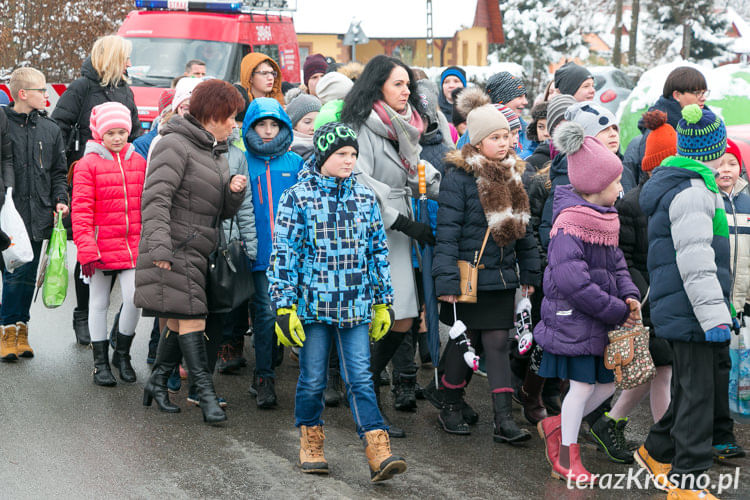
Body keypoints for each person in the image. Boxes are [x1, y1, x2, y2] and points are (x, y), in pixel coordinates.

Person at [268, 121, 407, 482]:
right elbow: (285, 254)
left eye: (353, 155)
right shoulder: (297, 197)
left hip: (356, 305)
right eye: (342, 154)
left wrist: (382, 301)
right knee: (313, 379)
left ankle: (379, 450)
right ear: (324, 155)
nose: (349, 161)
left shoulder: (364, 197)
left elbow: (377, 251)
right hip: (313, 308)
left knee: (360, 378)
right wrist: (284, 307)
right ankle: (311, 440)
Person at [635, 104, 734, 498]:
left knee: (693, 388)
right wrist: (714, 316)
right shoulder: (693, 191)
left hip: (687, 306)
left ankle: (657, 451)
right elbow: (695, 260)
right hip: (692, 308)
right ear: (712, 149)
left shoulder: (691, 184)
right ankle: (687, 481)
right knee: (697, 395)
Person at [136, 79, 247, 424]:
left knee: (176, 317)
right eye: (230, 116)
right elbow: (156, 199)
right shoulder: (175, 144)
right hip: (174, 247)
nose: (234, 124)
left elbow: (220, 212)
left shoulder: (214, 151)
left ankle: (156, 383)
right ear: (212, 114)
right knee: (193, 318)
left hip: (200, 250)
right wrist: (159, 247)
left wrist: (233, 192)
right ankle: (205, 394)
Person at [535, 120, 640, 483]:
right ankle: (566, 457)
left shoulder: (606, 219)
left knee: (610, 383)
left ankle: (558, 424)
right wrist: (615, 310)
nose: (621, 188)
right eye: (616, 183)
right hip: (574, 320)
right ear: (596, 186)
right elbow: (572, 281)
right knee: (580, 388)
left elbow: (617, 263)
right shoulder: (570, 223)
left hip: (600, 319)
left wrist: (629, 295)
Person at [341, 55, 441, 435]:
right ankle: (366, 404)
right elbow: (357, 177)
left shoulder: (403, 125)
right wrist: (401, 221)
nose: (406, 92)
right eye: (398, 84)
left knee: (402, 316)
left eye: (408, 85)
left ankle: (363, 393)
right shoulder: (356, 124)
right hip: (371, 228)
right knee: (384, 316)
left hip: (401, 227)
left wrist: (453, 186)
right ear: (377, 84)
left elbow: (417, 168)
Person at [432, 100, 541, 442]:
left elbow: (524, 231)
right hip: (470, 278)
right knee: (467, 340)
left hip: (502, 277)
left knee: (495, 341)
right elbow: (447, 234)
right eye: (496, 137)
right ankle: (449, 403)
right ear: (477, 142)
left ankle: (503, 420)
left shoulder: (513, 175)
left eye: (507, 135)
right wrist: (445, 280)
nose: (505, 143)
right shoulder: (460, 178)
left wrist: (530, 274)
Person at [589, 110, 677, 465]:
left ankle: (611, 422)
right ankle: (664, 445)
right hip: (645, 299)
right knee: (662, 368)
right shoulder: (632, 203)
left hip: (667, 298)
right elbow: (623, 256)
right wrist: (643, 296)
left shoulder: (677, 199)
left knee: (655, 368)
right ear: (654, 165)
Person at [51, 34, 141, 347]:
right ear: (113, 57)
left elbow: (136, 132)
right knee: (90, 251)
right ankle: (82, 314)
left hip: (121, 179)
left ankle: (109, 318)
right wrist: (70, 166)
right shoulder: (81, 88)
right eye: (125, 57)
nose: (130, 63)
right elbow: (58, 126)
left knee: (117, 251)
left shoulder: (124, 89)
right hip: (88, 176)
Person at [71, 102, 146, 385]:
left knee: (134, 298)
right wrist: (86, 248)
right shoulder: (88, 164)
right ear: (99, 133)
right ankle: (100, 362)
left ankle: (122, 354)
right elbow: (81, 210)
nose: (117, 138)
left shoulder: (138, 161)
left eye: (122, 132)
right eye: (111, 132)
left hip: (133, 244)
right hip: (100, 244)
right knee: (99, 303)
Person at [0, 68, 68, 362]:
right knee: (14, 274)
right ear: (23, 94)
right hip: (10, 215)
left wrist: (61, 199)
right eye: (42, 90)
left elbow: (58, 172)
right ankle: (6, 332)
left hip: (40, 213)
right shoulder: (4, 125)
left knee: (29, 279)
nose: (47, 95)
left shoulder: (50, 129)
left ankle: (21, 329)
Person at [242, 97, 304, 408]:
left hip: (292, 255)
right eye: (261, 125)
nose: (267, 131)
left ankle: (311, 376)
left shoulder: (295, 163)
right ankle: (264, 377)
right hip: (259, 254)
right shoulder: (243, 161)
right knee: (265, 314)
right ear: (250, 127)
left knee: (293, 313)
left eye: (274, 125)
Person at [709, 137, 748, 461]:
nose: (726, 169)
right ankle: (719, 435)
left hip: (742, 302)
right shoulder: (708, 201)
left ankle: (726, 429)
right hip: (715, 300)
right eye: (720, 163)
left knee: (734, 369)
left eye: (732, 163)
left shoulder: (748, 201)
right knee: (717, 367)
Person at [623, 66, 709, 185]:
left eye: (704, 93)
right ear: (677, 95)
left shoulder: (707, 121)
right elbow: (654, 180)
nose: (703, 98)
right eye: (697, 93)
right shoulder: (659, 131)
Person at [485, 71, 533, 158]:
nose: (525, 102)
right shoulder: (478, 132)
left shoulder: (529, 132)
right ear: (501, 99)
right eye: (519, 96)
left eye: (525, 96)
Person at [286, 90, 321, 160]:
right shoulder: (286, 150)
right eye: (307, 122)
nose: (313, 127)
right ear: (295, 125)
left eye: (318, 121)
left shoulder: (327, 144)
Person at [525, 102, 550, 172]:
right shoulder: (526, 158)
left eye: (551, 127)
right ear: (534, 128)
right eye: (541, 127)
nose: (546, 133)